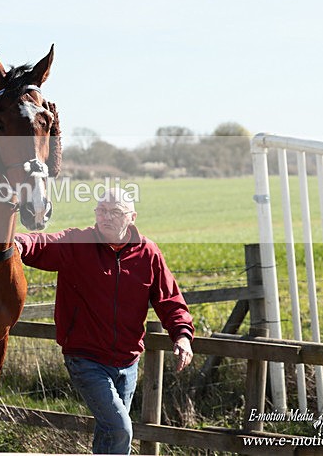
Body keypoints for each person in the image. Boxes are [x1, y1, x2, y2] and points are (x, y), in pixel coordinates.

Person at [14, 187, 194, 455]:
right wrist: (17, 243)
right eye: (101, 211)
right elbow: (42, 242)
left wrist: (182, 335)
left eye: (115, 212)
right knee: (121, 429)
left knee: (109, 433)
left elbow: (170, 300)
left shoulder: (148, 253)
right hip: (85, 357)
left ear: (132, 217)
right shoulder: (78, 243)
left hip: (128, 361)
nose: (106, 218)